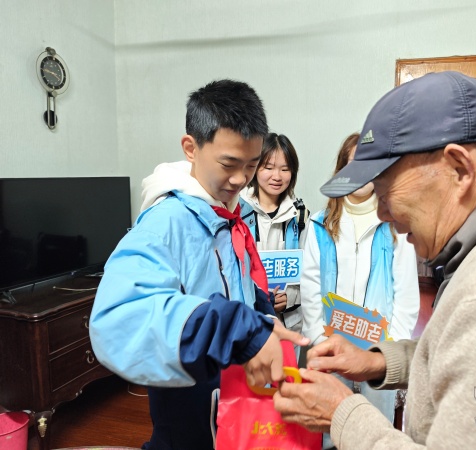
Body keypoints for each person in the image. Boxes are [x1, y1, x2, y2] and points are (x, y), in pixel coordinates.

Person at [273, 71, 476, 449]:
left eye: (385, 193)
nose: (381, 213)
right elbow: (468, 357)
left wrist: (342, 414)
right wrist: (380, 361)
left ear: (459, 168)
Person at [89, 79, 308, 450]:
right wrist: (238, 330)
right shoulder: (167, 221)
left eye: (251, 165)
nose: (241, 179)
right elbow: (117, 319)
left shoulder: (228, 213)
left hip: (232, 407)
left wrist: (261, 316)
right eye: (229, 164)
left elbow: (232, 288)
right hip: (189, 414)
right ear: (191, 148)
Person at [301, 132, 420, 448]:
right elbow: (310, 287)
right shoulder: (319, 224)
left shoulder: (394, 225)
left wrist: (388, 349)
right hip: (331, 345)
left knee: (374, 431)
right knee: (329, 430)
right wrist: (321, 341)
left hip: (377, 351)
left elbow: (406, 294)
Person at [240, 132, 310, 335]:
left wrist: (291, 297)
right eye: (268, 168)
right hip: (249, 321)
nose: (277, 176)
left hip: (290, 324)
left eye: (285, 169)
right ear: (254, 168)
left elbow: (312, 271)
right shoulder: (238, 212)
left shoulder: (301, 216)